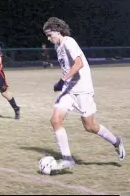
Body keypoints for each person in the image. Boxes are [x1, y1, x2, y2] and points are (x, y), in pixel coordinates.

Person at [42, 17, 125, 171]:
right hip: (69, 90)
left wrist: (62, 80)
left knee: (90, 126)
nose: (48, 38)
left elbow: (78, 64)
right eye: (46, 35)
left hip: (82, 90)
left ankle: (116, 141)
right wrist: (64, 83)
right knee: (55, 120)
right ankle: (68, 159)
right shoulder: (58, 46)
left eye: (49, 34)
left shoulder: (69, 42)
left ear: (58, 31)